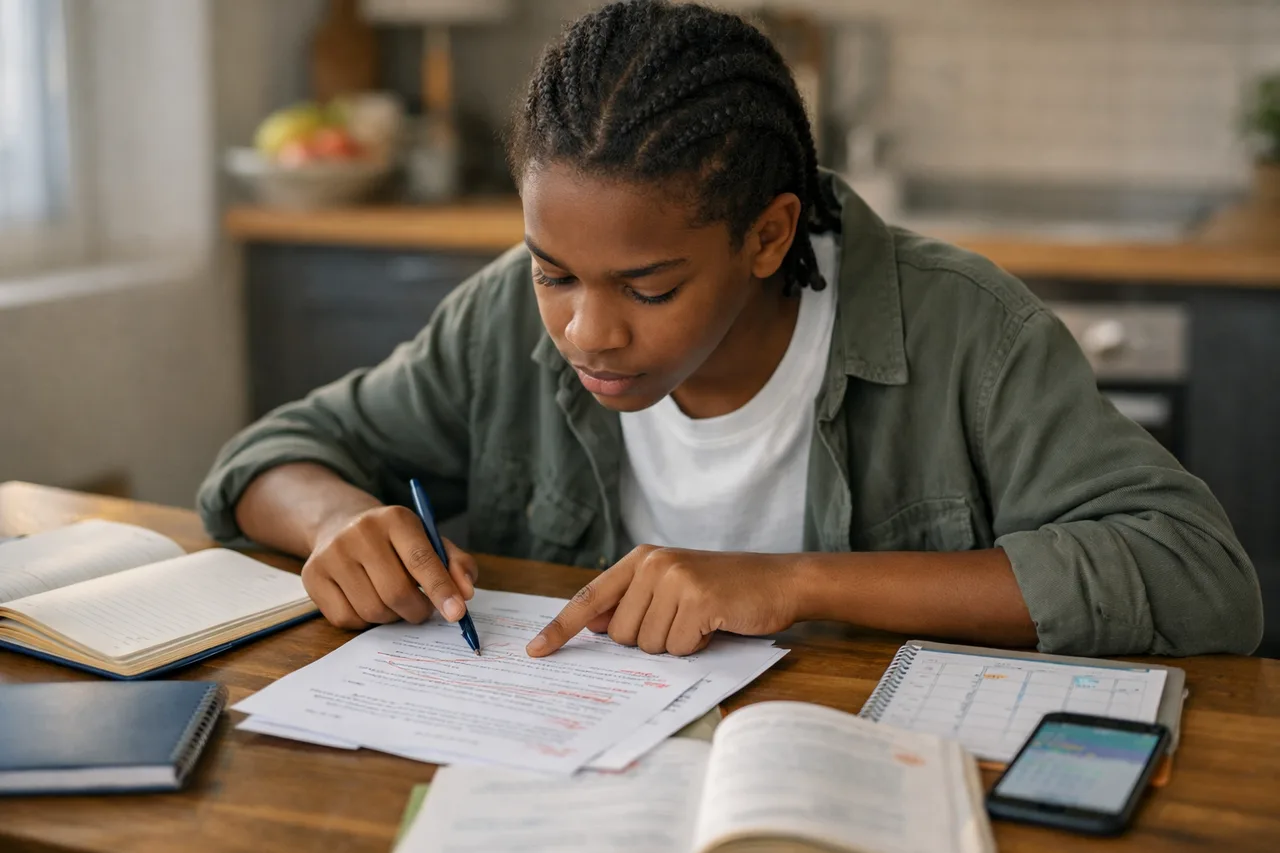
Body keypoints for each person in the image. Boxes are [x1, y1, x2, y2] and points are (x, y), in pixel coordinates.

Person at [198, 0, 1262, 659]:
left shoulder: (964, 333)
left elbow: (1195, 577)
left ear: (767, 236)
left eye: (648, 288)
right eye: (552, 272)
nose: (586, 330)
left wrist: (786, 580)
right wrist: (339, 519)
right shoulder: (496, 318)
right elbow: (268, 458)